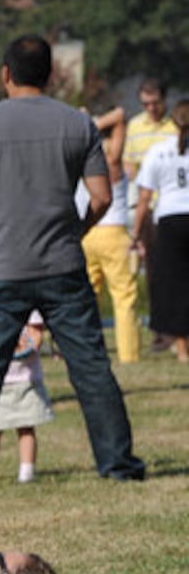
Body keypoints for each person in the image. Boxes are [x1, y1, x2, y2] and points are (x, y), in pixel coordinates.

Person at [0, 34, 145, 492]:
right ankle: (117, 463)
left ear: (5, 74)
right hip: (62, 264)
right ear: (49, 74)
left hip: (0, 267)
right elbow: (102, 197)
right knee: (89, 367)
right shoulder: (77, 124)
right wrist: (78, 228)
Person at [76, 106, 142, 364]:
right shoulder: (112, 161)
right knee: (124, 298)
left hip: (87, 232)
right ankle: (128, 355)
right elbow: (121, 116)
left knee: (86, 297)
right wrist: (97, 122)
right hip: (113, 231)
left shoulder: (79, 161)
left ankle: (85, 351)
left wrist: (83, 120)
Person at [131, 98, 189, 363]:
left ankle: (181, 346)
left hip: (168, 220)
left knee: (174, 284)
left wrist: (135, 232)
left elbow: (144, 199)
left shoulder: (159, 150)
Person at [123, 78, 177, 353]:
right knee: (154, 271)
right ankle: (161, 330)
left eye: (155, 103)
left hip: (170, 206)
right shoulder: (135, 126)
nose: (151, 108)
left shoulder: (174, 127)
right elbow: (129, 164)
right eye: (145, 104)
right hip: (148, 207)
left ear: (164, 100)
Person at [0, 310, 53, 485]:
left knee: (26, 428)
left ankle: (27, 470)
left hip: (25, 381)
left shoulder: (31, 310)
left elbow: (36, 336)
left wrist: (24, 348)